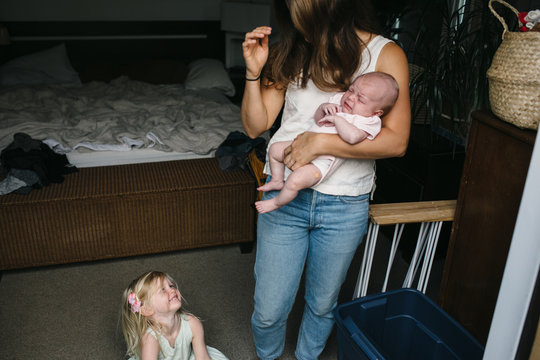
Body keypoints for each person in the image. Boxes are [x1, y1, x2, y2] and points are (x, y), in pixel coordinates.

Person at [241, 0, 411, 359]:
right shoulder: (291, 51)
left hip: (344, 204)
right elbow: (255, 125)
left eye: (303, 15)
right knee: (270, 309)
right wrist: (253, 73)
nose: (299, 25)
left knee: (321, 305)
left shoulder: (385, 53)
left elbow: (396, 141)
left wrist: (321, 141)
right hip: (285, 191)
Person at [255, 71, 398, 214]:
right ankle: (277, 180)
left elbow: (353, 138)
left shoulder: (368, 121)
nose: (351, 98)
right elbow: (318, 120)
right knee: (274, 149)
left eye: (360, 99)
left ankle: (276, 202)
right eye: (351, 90)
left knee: (294, 181)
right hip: (300, 146)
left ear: (376, 112)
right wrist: (323, 108)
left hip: (321, 164)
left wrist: (337, 119)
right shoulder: (338, 100)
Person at [120, 271, 228, 360]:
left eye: (171, 285)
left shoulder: (192, 323)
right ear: (147, 309)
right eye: (163, 290)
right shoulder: (151, 338)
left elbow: (203, 357)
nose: (172, 289)